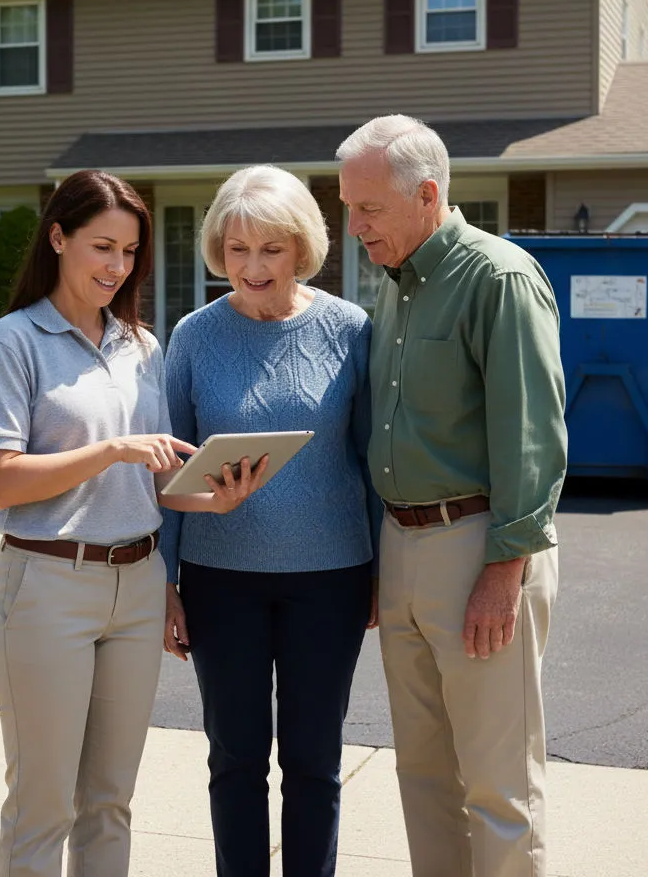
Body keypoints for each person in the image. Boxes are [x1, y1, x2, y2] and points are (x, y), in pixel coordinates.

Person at [0, 169, 265, 877]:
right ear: (58, 237)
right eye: (102, 247)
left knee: (110, 801)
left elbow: (158, 481)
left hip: (136, 589)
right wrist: (111, 450)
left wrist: (212, 497)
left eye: (129, 253)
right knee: (43, 804)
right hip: (45, 586)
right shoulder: (12, 342)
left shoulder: (141, 345)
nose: (116, 267)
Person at [336, 116, 567, 877]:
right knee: (423, 775)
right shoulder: (396, 286)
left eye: (368, 208)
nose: (354, 225)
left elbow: (532, 436)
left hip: (480, 550)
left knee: (499, 785)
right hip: (402, 552)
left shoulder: (498, 278)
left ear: (427, 194)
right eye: (348, 206)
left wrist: (505, 572)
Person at [161, 164, 384, 877]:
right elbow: (165, 470)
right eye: (236, 250)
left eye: (270, 250)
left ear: (302, 249)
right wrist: (166, 583)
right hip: (220, 579)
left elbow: (370, 460)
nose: (252, 269)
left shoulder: (350, 330)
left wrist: (382, 570)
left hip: (332, 576)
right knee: (234, 757)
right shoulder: (194, 337)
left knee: (315, 760)